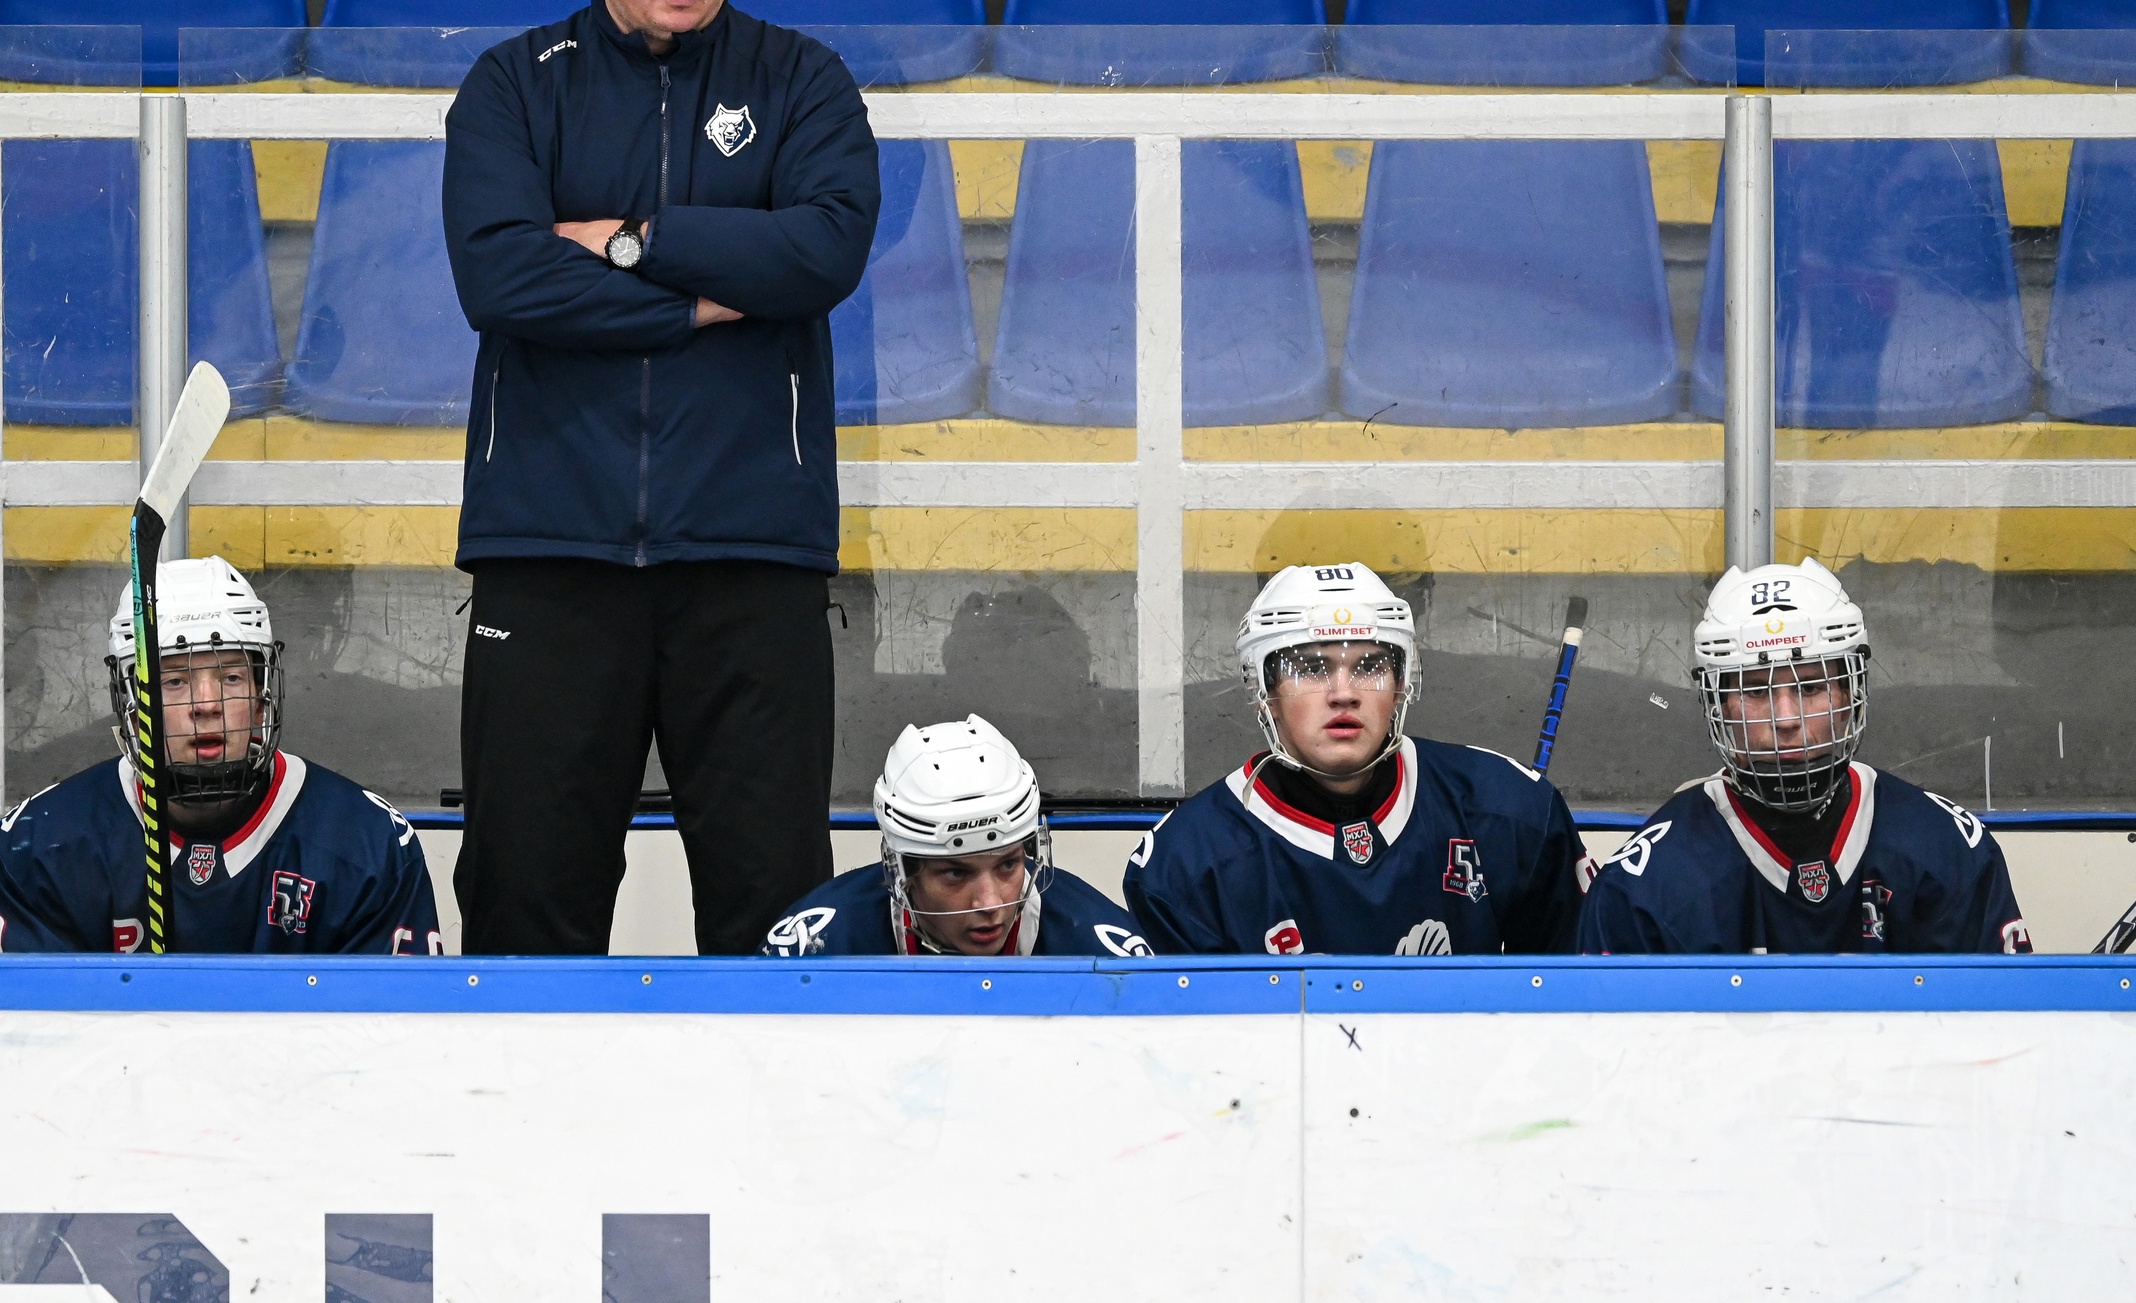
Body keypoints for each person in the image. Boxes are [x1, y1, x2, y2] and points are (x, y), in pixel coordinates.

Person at [441, 0, 881, 955]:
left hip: (752, 556)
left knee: (776, 918)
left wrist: (628, 241)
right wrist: (699, 297)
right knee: (524, 911)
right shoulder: (511, 85)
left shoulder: (803, 80)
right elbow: (501, 276)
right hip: (549, 551)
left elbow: (823, 250)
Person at [0, 557, 442, 955]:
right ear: (132, 706)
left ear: (261, 697)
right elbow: (31, 1026)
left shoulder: (369, 846)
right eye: (173, 681)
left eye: (230, 678)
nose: (206, 705)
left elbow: (389, 1025)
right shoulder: (40, 846)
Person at [1124, 562, 1590, 956]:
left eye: (1369, 666)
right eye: (1310, 668)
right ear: (1263, 690)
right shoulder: (1185, 865)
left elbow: (1580, 1007)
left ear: (1402, 684)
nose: (1343, 693)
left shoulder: (1512, 810)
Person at [1580, 560, 2031, 955]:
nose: (1786, 719)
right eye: (1756, 690)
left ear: (1850, 694)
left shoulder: (1944, 849)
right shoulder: (1645, 886)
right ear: (1718, 705)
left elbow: (2001, 1017)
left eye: (1811, 687)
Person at [762, 715, 1151, 958]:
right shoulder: (815, 948)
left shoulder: (1105, 952)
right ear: (901, 873)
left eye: (1008, 865)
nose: (990, 903)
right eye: (955, 873)